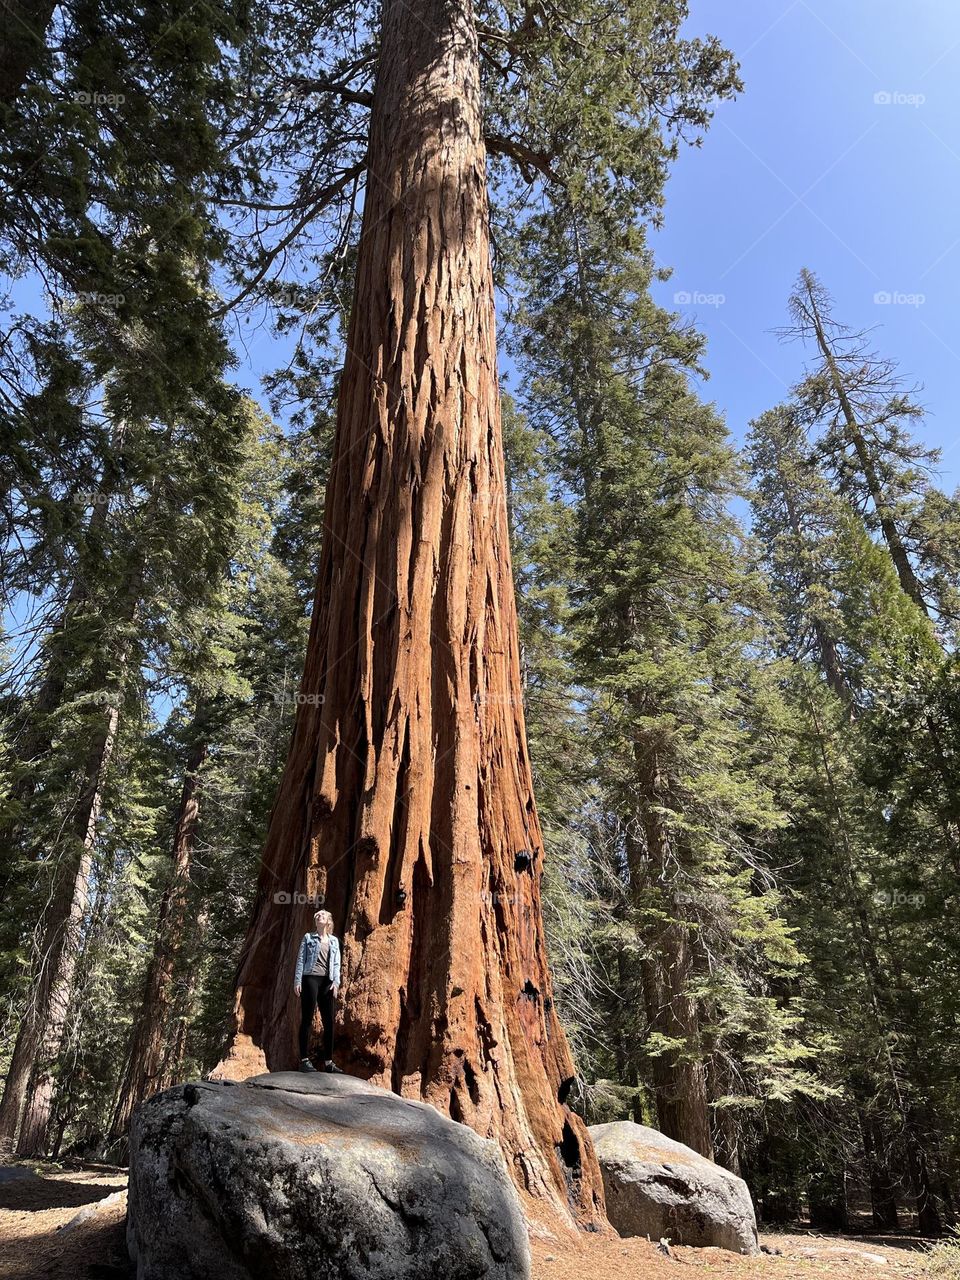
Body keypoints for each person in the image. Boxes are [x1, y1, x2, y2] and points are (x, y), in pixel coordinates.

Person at [294, 908, 342, 1073]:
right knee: (307, 1019)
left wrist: (336, 983)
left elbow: (336, 963)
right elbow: (301, 959)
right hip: (310, 979)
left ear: (328, 921)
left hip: (327, 982)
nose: (318, 916)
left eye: (322, 915)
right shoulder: (308, 937)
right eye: (317, 916)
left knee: (329, 1022)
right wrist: (297, 981)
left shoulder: (334, 941)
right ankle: (304, 1060)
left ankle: (329, 1063)